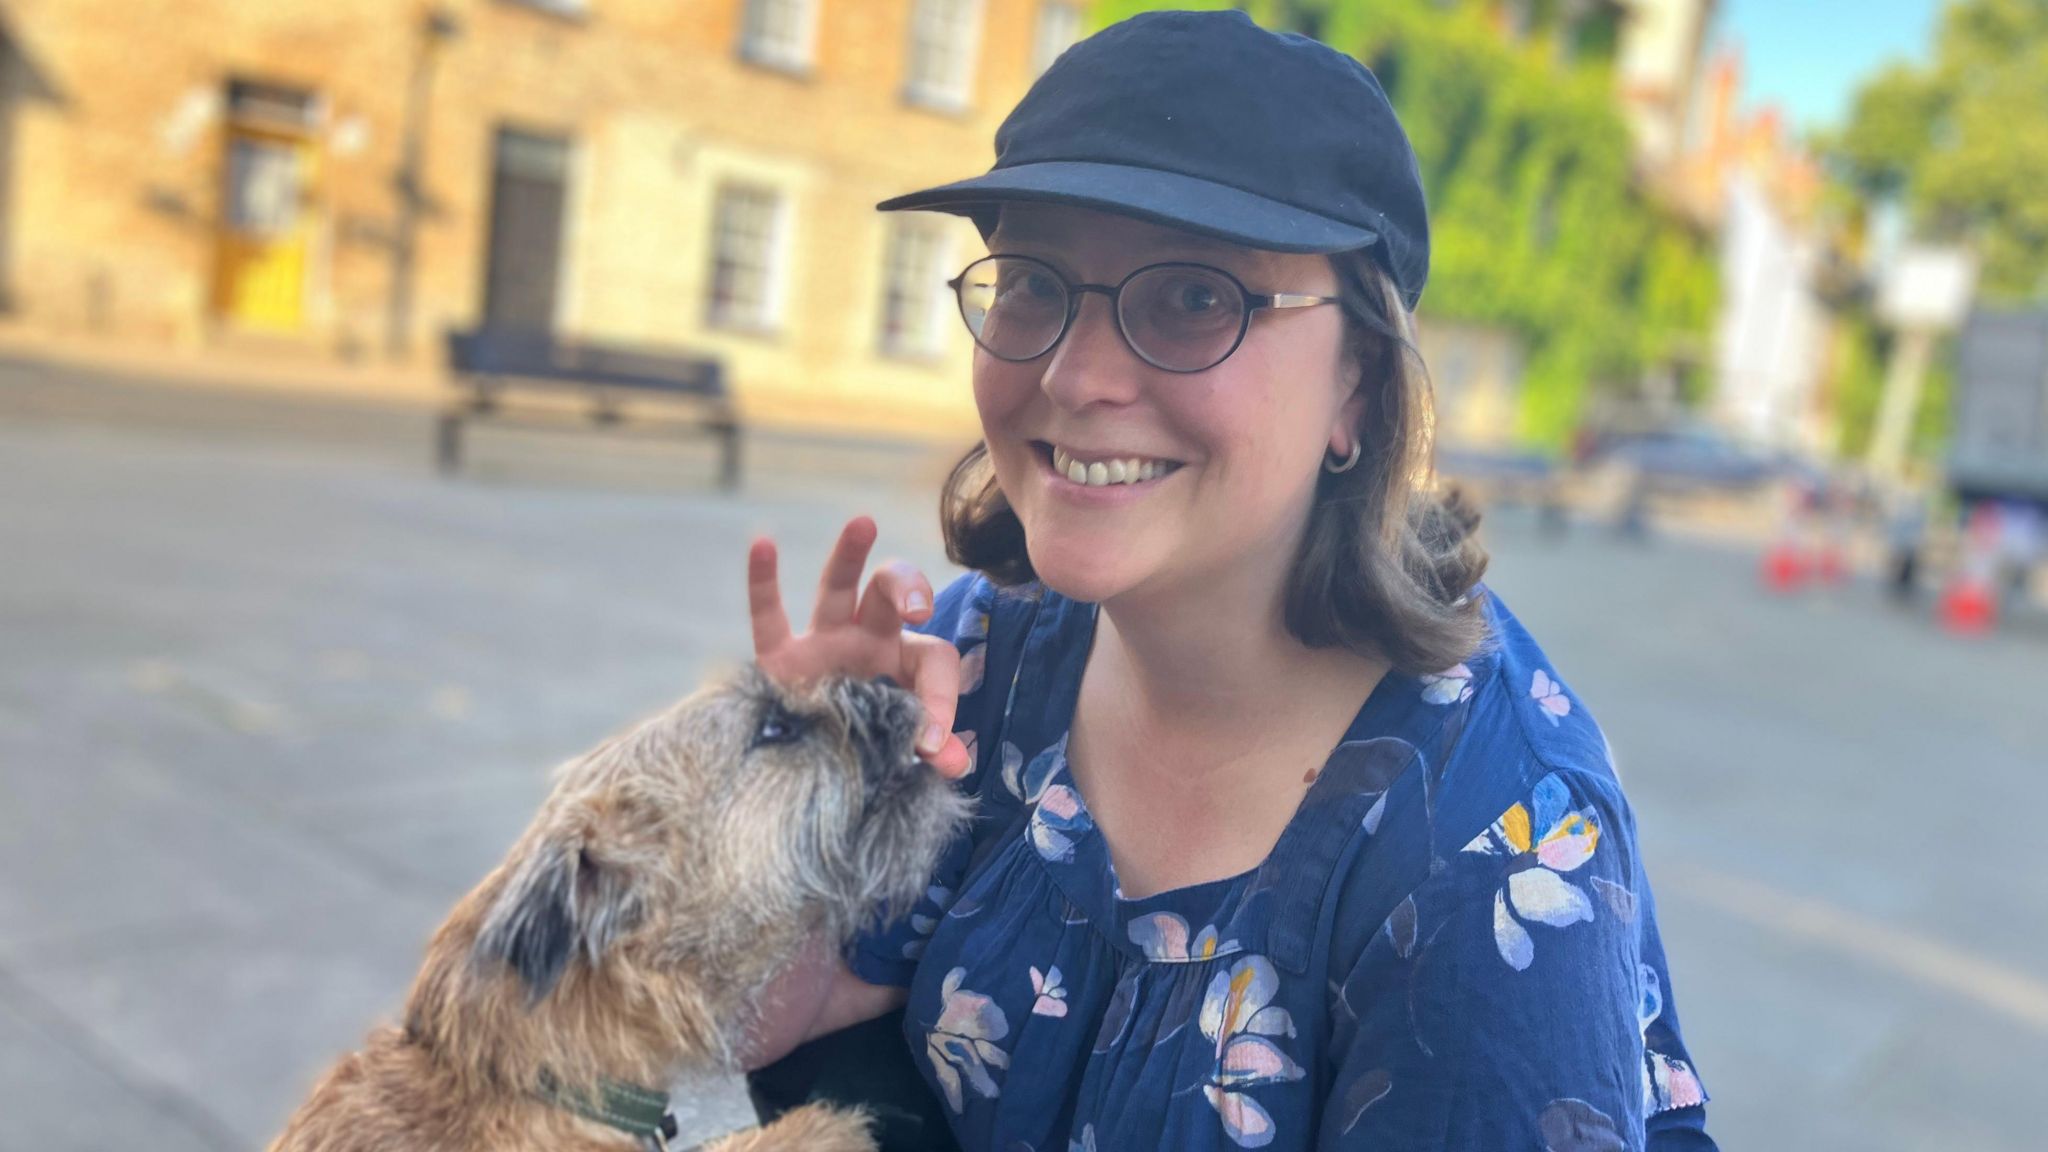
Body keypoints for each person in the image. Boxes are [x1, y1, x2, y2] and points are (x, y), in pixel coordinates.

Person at [737, 11, 1714, 1151]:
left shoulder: (1488, 849)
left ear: (1358, 383)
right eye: (1033, 282)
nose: (1072, 371)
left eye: (1194, 297)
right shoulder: (982, 664)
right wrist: (787, 817)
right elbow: (743, 1025)